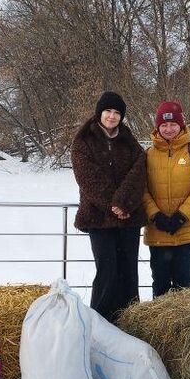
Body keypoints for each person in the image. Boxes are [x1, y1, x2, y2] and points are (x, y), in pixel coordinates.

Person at [71, 91, 147, 321]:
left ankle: (130, 321)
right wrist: (113, 205)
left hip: (128, 218)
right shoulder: (84, 141)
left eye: (116, 112)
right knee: (107, 271)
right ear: (99, 113)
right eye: (108, 111)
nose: (112, 116)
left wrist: (124, 203)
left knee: (128, 271)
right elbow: (88, 178)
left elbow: (139, 172)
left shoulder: (129, 141)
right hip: (98, 218)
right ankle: (100, 323)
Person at [142, 101, 190, 296]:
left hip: (187, 229)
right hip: (158, 231)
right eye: (164, 125)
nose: (168, 129)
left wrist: (182, 216)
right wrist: (155, 215)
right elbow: (142, 189)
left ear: (181, 125)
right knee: (160, 284)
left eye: (173, 124)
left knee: (183, 285)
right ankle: (158, 317)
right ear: (157, 127)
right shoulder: (147, 155)